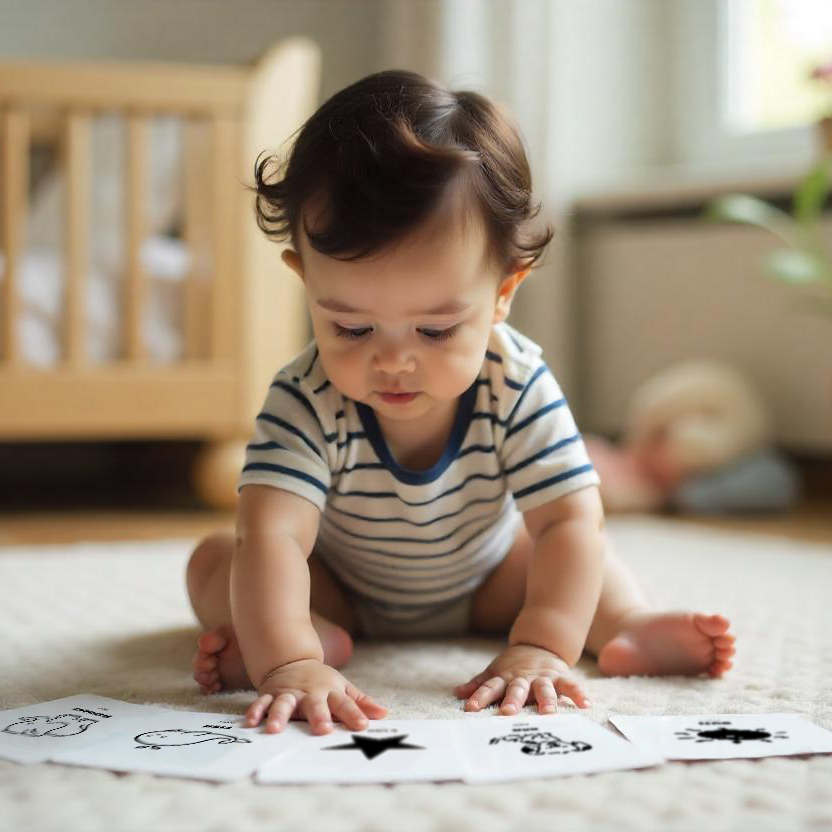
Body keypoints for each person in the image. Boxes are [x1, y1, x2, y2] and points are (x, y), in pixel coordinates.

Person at [186, 70, 736, 737]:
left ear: (503, 293)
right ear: (305, 281)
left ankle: (627, 624)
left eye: (436, 330)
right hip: (341, 584)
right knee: (220, 559)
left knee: (581, 551)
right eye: (352, 328)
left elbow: (566, 520)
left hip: (488, 582)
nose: (393, 360)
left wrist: (542, 643)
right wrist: (288, 659)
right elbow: (274, 533)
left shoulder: (516, 382)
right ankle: (308, 635)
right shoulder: (304, 398)